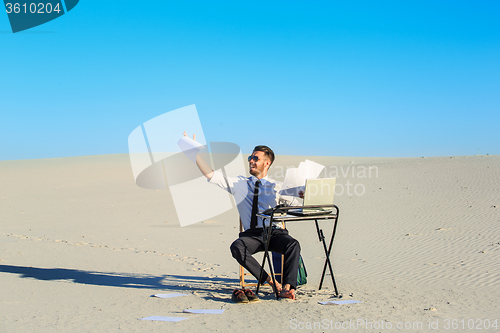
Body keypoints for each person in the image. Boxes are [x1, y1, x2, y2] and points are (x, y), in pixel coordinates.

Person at [183, 132, 301, 300]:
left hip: (274, 234)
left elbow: (297, 208)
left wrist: (302, 194)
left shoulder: (278, 187)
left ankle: (288, 288)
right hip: (252, 236)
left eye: (256, 158)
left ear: (267, 163)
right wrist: (194, 156)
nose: (251, 161)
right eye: (250, 158)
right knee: (237, 247)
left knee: (293, 244)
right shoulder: (239, 183)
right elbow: (211, 175)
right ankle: (272, 282)